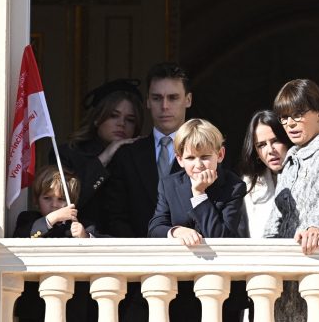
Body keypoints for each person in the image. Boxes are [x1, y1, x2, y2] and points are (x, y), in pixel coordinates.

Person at [104, 62, 192, 322]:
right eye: (157, 98)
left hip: (194, 281)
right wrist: (144, 258)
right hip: (137, 286)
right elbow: (115, 216)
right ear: (148, 103)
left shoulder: (207, 153)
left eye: (173, 98)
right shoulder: (127, 155)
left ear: (188, 100)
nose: (165, 106)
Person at [264, 78, 319, 322]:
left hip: (318, 261)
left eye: (298, 114)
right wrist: (265, 250)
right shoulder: (290, 158)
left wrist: (316, 225)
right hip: (283, 271)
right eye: (284, 117)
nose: (290, 124)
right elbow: (276, 215)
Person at [148, 118, 248, 322]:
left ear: (219, 155)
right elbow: (155, 227)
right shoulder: (169, 185)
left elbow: (221, 236)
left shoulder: (233, 186)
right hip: (179, 290)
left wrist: (199, 195)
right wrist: (176, 231)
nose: (198, 165)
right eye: (191, 158)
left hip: (221, 289)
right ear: (179, 159)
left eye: (205, 157)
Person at [50, 78, 144, 233]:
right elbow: (62, 204)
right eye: (114, 115)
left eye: (130, 119)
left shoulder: (140, 157)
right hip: (80, 247)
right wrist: (104, 157)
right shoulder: (66, 154)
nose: (122, 123)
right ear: (97, 118)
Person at [13, 165, 99, 322]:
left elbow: (104, 248)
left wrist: (84, 236)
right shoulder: (28, 219)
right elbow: (22, 236)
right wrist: (52, 219)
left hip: (74, 305)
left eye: (61, 199)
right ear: (36, 200)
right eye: (47, 198)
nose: (54, 204)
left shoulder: (83, 225)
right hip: (35, 303)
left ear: (72, 203)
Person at [239, 110, 292, 238]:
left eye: (276, 141)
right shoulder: (249, 182)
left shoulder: (305, 172)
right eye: (261, 145)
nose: (270, 150)